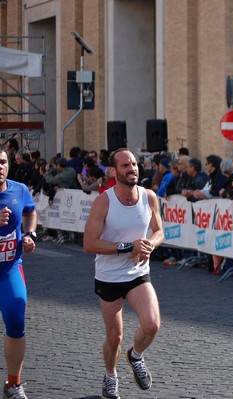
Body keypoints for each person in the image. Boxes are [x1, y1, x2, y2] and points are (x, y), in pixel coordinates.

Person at [83, 148, 164, 399]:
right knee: (114, 337)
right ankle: (110, 376)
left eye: (134, 164)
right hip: (109, 277)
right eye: (126, 165)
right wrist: (128, 246)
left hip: (138, 273)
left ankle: (136, 356)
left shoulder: (149, 197)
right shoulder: (104, 201)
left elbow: (159, 231)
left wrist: (150, 244)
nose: (132, 169)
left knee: (152, 324)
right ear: (113, 171)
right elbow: (89, 243)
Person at [0, 148, 38, 399]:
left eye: (2, 162)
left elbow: (30, 211)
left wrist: (30, 234)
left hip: (9, 268)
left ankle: (13, 383)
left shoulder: (19, 189)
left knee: (16, 319)